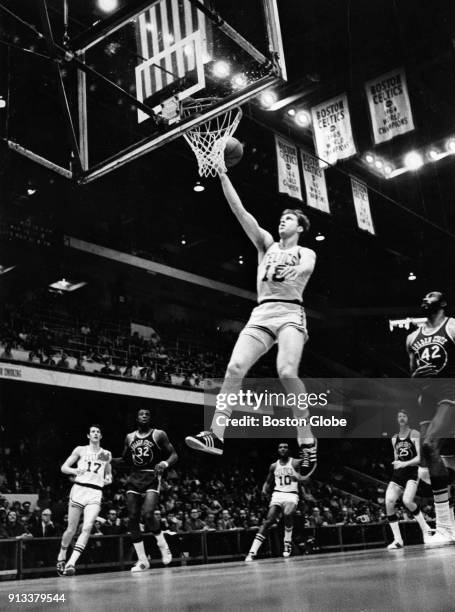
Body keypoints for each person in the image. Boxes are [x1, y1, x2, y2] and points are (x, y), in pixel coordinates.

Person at [186, 172, 317, 476]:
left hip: (290, 312)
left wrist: (290, 273)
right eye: (281, 217)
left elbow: (306, 268)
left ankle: (306, 439)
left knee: (285, 371)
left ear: (299, 228)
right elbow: (240, 210)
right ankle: (216, 435)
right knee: (234, 369)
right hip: (262, 313)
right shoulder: (265, 244)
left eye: (289, 219)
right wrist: (222, 176)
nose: (282, 221)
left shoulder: (305, 252)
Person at [406, 291, 455, 544]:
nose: (425, 299)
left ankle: (445, 528)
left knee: (429, 446)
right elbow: (412, 373)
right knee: (438, 460)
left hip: (450, 392)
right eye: (423, 297)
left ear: (443, 303)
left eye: (431, 297)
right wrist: (414, 381)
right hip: (426, 400)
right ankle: (452, 524)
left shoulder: (453, 327)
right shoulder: (412, 338)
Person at [113, 408, 177, 572]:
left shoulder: (158, 434)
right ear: (137, 417)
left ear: (150, 418)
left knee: (148, 514)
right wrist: (108, 459)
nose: (144, 416)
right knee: (133, 518)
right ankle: (142, 561)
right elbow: (125, 460)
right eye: (141, 414)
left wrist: (164, 463)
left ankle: (163, 545)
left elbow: (174, 455)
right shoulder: (129, 437)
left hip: (152, 476)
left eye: (147, 414)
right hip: (134, 478)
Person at [56, 425, 112, 576]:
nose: (95, 433)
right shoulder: (81, 449)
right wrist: (74, 470)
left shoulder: (105, 454)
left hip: (95, 492)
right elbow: (64, 468)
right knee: (71, 529)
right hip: (79, 490)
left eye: (98, 432)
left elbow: (108, 474)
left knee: (87, 527)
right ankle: (62, 554)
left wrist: (108, 479)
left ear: (101, 436)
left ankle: (71, 563)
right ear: (88, 436)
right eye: (93, 432)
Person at [245, 442, 306, 561]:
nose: (283, 449)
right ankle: (252, 552)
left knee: (288, 514)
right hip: (277, 494)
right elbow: (268, 481)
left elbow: (306, 476)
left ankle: (287, 543)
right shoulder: (273, 465)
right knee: (268, 521)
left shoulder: (295, 462)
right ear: (278, 450)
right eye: (280, 447)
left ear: (289, 450)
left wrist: (299, 476)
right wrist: (264, 489)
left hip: (291, 494)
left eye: (285, 447)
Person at [385, 410, 432, 549]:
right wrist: (397, 467)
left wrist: (403, 464)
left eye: (404, 416)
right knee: (388, 502)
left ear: (408, 418)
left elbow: (419, 458)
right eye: (399, 416)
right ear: (396, 419)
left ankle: (426, 529)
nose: (401, 418)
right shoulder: (394, 438)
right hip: (399, 473)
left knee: (407, 500)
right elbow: (396, 458)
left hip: (413, 471)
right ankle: (398, 540)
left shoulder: (415, 434)